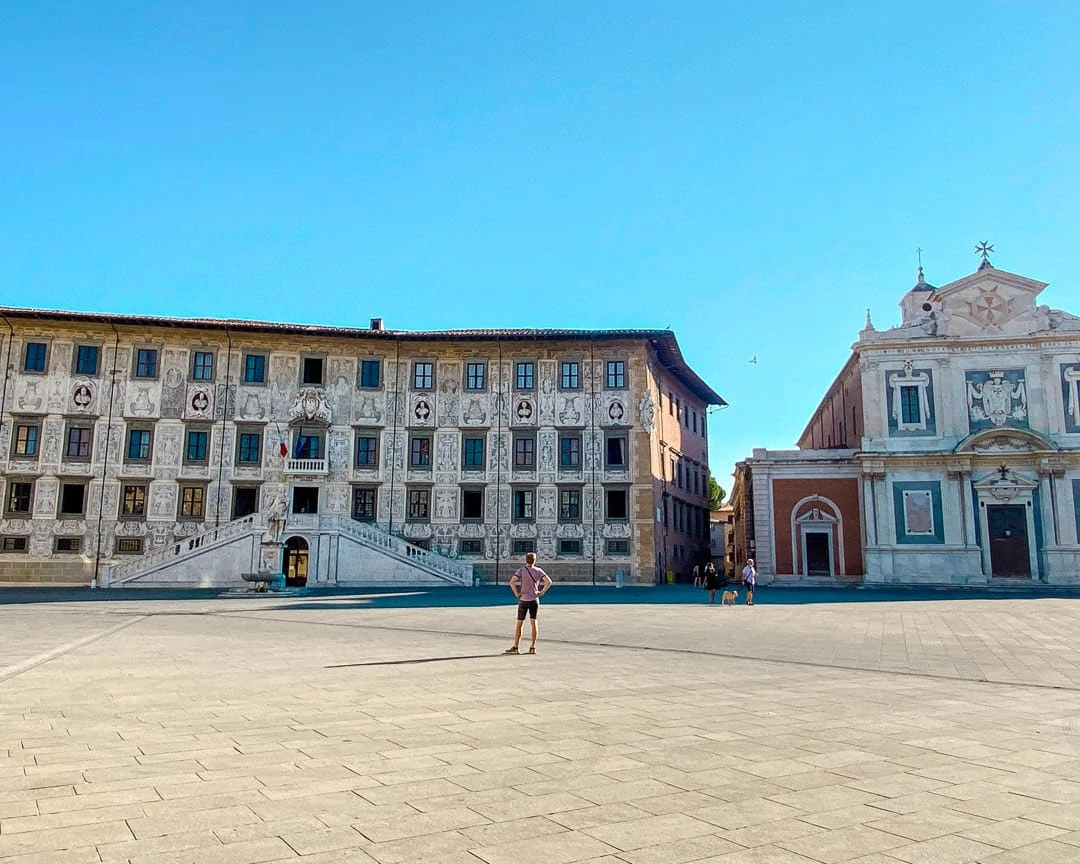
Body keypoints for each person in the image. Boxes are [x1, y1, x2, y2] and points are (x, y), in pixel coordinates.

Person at [505, 552, 552, 655]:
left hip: (524, 599)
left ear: (526, 560)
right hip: (534, 599)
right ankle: (533, 647)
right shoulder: (539, 571)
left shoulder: (521, 570)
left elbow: (512, 581)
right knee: (533, 622)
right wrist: (541, 592)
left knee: (519, 623)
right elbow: (548, 581)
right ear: (534, 560)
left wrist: (517, 593)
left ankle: (516, 646)